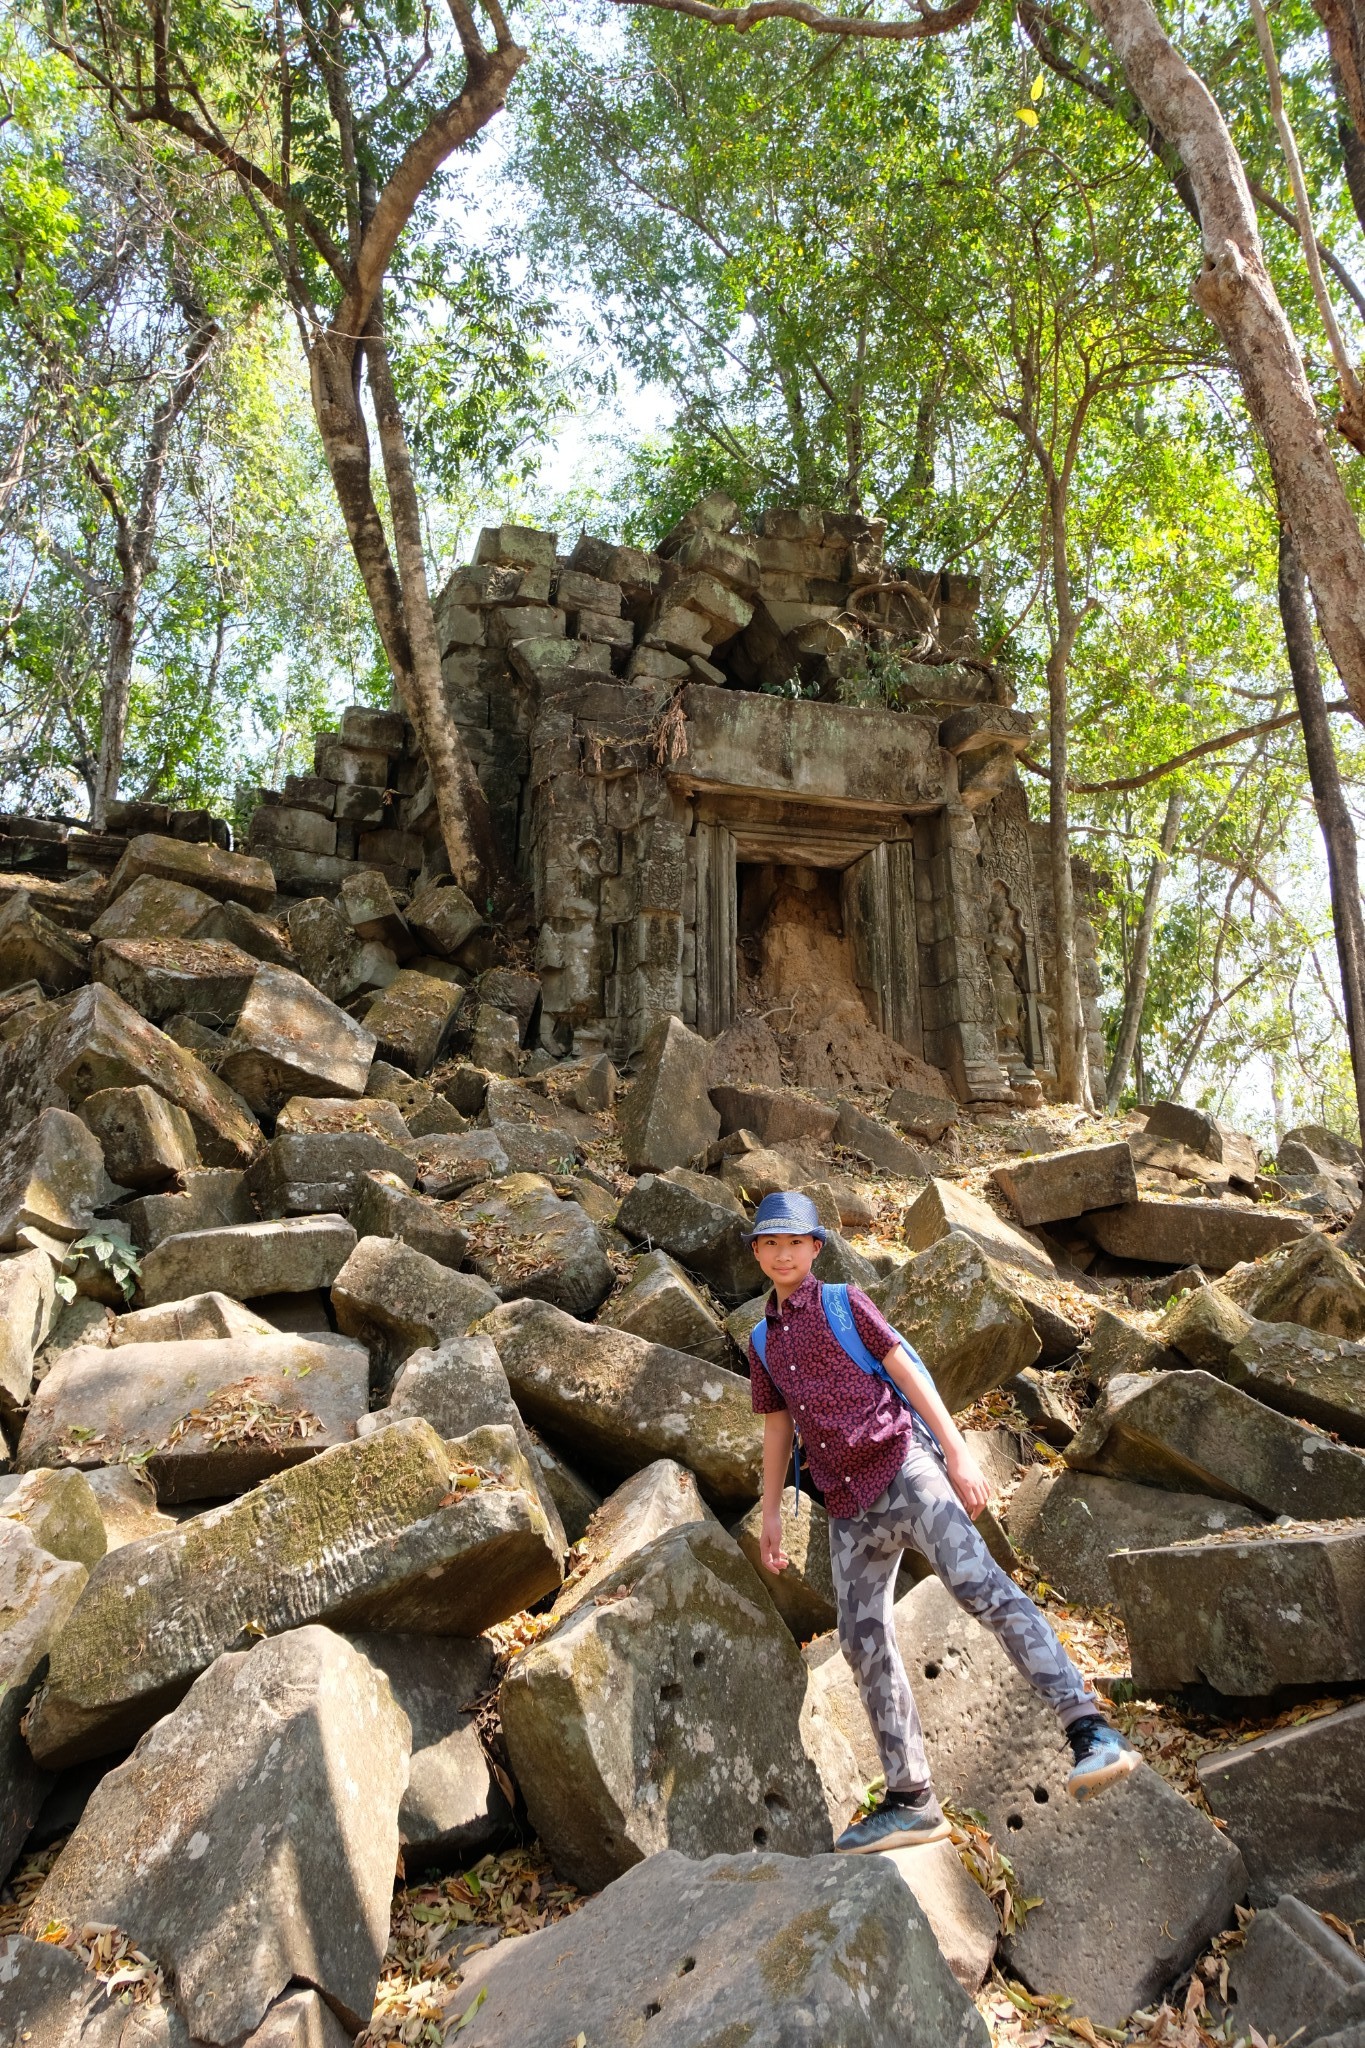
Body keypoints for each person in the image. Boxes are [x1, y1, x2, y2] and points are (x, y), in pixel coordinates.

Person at [745, 1189, 1139, 1854]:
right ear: (756, 1253)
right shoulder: (761, 1340)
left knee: (978, 1584)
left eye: (794, 1242)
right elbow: (778, 1425)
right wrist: (774, 1514)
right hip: (846, 1508)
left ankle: (1088, 1730)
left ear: (815, 1248)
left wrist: (957, 1453)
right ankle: (910, 1798)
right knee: (861, 1641)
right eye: (769, 1243)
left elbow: (909, 1371)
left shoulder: (844, 1304)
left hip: (905, 1470)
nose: (782, 1253)